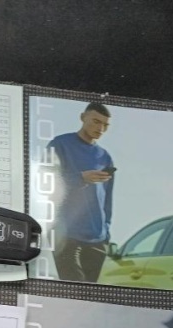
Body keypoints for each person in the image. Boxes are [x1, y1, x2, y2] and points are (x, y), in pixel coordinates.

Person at [47, 102, 115, 282]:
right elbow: (45, 182)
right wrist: (81, 178)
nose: (100, 129)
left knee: (89, 293)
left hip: (97, 238)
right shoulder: (60, 144)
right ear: (83, 117)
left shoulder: (105, 157)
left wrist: (106, 230)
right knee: (73, 288)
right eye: (96, 122)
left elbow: (107, 198)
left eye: (105, 125)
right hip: (65, 233)